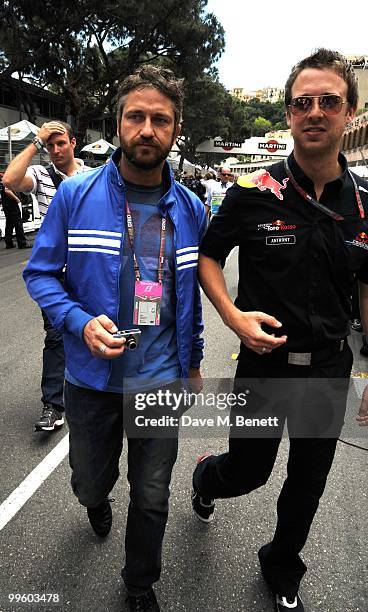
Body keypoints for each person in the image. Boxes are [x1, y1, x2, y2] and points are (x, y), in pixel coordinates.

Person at [191, 49, 368, 612]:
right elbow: (208, 256)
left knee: (308, 482)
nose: (314, 112)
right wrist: (231, 314)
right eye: (302, 102)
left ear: (350, 111)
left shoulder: (367, 206)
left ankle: (282, 565)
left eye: (328, 101)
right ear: (289, 113)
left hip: (326, 367)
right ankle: (206, 479)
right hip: (264, 366)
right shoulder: (253, 189)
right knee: (247, 473)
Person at [23, 65, 205, 612]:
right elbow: (39, 273)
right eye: (136, 117)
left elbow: (188, 300)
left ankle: (139, 583)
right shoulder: (76, 195)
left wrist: (193, 365)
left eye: (161, 120)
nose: (147, 130)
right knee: (88, 482)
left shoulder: (191, 210)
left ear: (175, 131)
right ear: (119, 122)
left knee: (152, 497)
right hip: (89, 379)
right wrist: (79, 322)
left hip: (160, 381)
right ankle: (94, 501)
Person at [3, 121, 90, 432]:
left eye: (60, 143)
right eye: (49, 145)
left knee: (92, 328)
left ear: (73, 143)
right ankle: (54, 405)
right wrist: (35, 142)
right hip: (53, 274)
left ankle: (96, 391)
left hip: (88, 271)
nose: (55, 150)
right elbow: (10, 180)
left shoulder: (92, 177)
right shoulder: (40, 175)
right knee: (55, 337)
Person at [0, 173, 31, 249]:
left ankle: (9, 243)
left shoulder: (1, 184)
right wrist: (16, 199)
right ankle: (22, 243)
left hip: (6, 205)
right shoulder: (7, 182)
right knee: (18, 223)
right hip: (12, 204)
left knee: (9, 224)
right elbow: (7, 191)